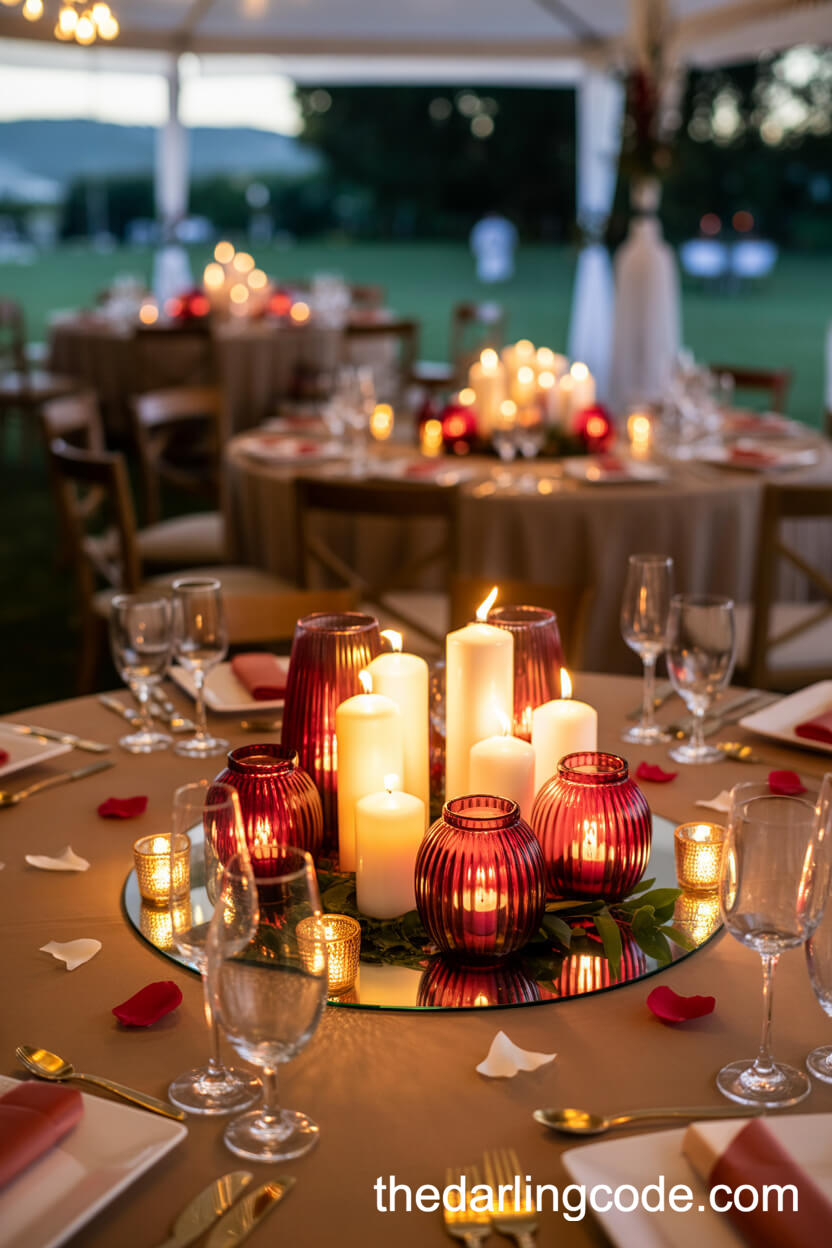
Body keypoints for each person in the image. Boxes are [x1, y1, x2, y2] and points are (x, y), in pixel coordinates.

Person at [469, 211, 518, 283]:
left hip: (501, 255)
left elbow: (512, 240)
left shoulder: (504, 226)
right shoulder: (482, 226)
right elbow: (476, 240)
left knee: (502, 272)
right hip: (486, 256)